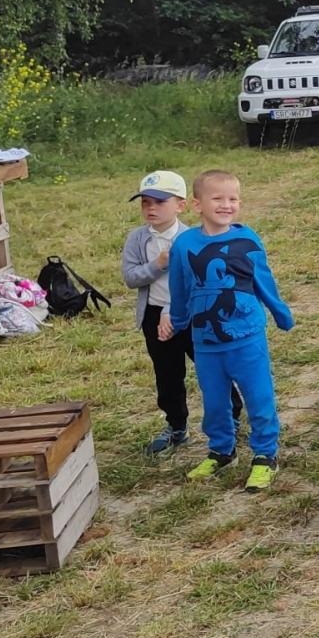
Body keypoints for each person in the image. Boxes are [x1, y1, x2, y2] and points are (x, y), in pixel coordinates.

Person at [166, 170, 293, 492]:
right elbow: (179, 288)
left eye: (233, 199)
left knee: (258, 397)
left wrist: (281, 313)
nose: (227, 205)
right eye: (218, 198)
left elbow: (263, 279)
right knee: (214, 402)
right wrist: (177, 322)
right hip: (205, 341)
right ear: (197, 204)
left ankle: (265, 455)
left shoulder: (247, 239)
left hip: (247, 338)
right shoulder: (184, 244)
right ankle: (222, 451)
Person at [122, 170, 242, 455]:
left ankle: (232, 417)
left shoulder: (192, 239)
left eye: (160, 202)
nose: (151, 208)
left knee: (212, 369)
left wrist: (171, 312)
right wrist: (158, 264)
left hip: (193, 315)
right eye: (146, 202)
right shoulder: (138, 239)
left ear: (181, 205)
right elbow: (130, 278)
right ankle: (176, 425)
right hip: (154, 318)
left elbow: (197, 283)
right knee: (167, 374)